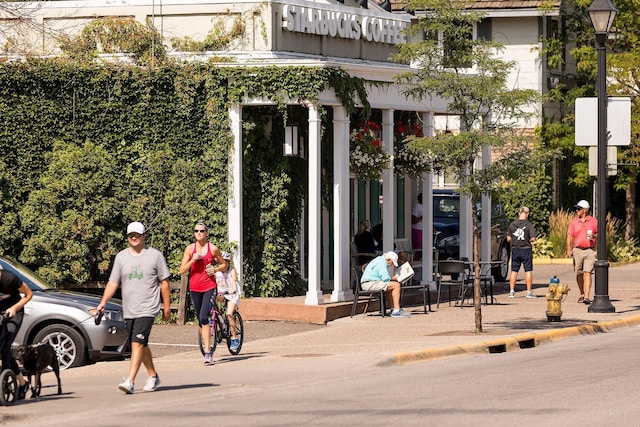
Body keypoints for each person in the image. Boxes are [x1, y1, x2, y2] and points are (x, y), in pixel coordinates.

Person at [97, 222, 171, 394]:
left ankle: (130, 381)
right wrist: (103, 302)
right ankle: (153, 376)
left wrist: (166, 307)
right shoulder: (121, 257)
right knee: (140, 344)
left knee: (137, 342)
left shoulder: (155, 256)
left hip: (148, 308)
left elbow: (164, 282)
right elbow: (113, 282)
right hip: (129, 309)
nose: (134, 238)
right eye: (131, 235)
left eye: (137, 235)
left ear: (144, 236)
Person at [179, 222, 227, 365]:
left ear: (206, 233)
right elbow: (182, 270)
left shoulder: (212, 249)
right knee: (200, 320)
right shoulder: (189, 249)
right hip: (194, 288)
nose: (198, 233)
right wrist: (193, 259)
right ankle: (209, 339)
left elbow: (224, 264)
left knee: (203, 317)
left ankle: (208, 351)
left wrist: (216, 269)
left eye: (201, 231)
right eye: (196, 231)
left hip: (209, 287)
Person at [0, 269, 33, 400]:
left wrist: (15, 308)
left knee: (5, 347)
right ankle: (23, 383)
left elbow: (29, 294)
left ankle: (4, 379)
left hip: (13, 312)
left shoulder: (10, 278)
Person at [566, 200, 597, 304]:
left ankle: (587, 296)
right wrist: (569, 249)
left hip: (590, 250)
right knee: (579, 273)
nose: (577, 210)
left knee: (587, 273)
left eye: (579, 209)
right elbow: (569, 236)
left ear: (585, 210)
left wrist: (594, 236)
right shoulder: (574, 222)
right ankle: (582, 293)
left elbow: (600, 234)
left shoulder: (593, 221)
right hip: (578, 250)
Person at [360, 251, 409, 318]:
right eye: (392, 263)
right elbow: (385, 278)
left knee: (389, 286)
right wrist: (396, 278)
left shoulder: (379, 260)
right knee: (396, 285)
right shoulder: (382, 262)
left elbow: (385, 279)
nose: (391, 265)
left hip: (369, 282)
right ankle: (396, 310)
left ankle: (393, 308)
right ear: (388, 259)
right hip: (370, 283)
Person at [506, 206, 537, 299]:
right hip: (526, 249)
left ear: (519, 213)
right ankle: (528, 292)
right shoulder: (529, 225)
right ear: (527, 214)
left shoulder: (512, 224)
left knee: (514, 271)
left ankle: (511, 291)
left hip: (515, 249)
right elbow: (533, 238)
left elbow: (508, 238)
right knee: (528, 270)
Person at [215, 251, 241, 351]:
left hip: (231, 295)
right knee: (211, 301)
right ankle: (216, 318)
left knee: (229, 314)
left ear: (228, 263)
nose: (223, 264)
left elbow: (233, 282)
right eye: (221, 262)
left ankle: (234, 338)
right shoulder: (216, 272)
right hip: (221, 293)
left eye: (225, 262)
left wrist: (232, 289)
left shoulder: (231, 271)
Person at [411, 193, 423, 259]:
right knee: (419, 250)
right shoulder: (417, 206)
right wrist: (421, 218)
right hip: (418, 230)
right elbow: (413, 220)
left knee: (424, 250)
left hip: (424, 230)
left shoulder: (426, 206)